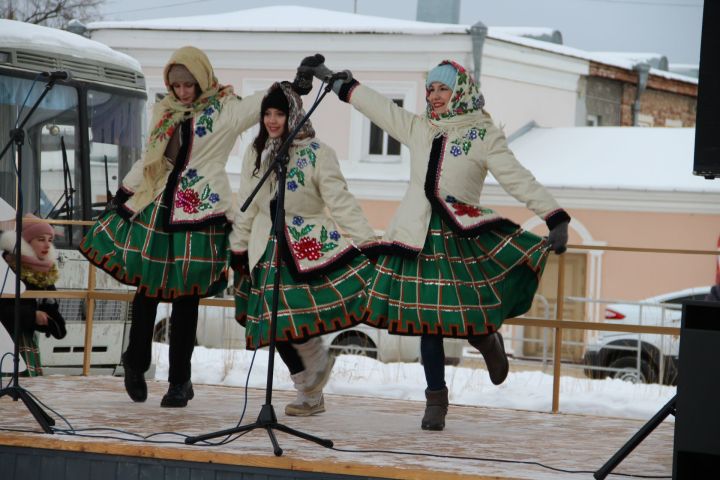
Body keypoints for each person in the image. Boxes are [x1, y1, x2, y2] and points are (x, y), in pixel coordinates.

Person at [301, 58, 570, 430]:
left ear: (461, 91)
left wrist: (554, 216)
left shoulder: (483, 134)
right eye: (431, 88)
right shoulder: (420, 127)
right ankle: (436, 399)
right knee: (429, 322)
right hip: (418, 237)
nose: (435, 95)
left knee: (461, 313)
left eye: (443, 88)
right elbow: (379, 109)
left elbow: (517, 177)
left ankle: (487, 339)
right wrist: (337, 83)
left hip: (461, 237)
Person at [79, 46, 274, 407]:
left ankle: (179, 382)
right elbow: (150, 157)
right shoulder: (165, 110)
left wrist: (295, 82)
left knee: (187, 299)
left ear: (202, 80)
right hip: (158, 206)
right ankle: (135, 363)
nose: (182, 92)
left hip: (200, 213)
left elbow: (262, 103)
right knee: (147, 291)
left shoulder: (225, 109)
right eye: (176, 85)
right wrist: (124, 193)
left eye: (188, 85)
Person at [230, 81, 379, 416]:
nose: (271, 120)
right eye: (267, 113)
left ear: (292, 114)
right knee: (272, 324)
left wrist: (368, 242)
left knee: (290, 317)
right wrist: (238, 247)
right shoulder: (257, 152)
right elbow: (247, 203)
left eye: (279, 113)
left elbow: (340, 201)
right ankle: (310, 390)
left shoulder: (318, 153)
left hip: (306, 245)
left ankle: (315, 361)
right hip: (266, 247)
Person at [0, 215, 67, 376]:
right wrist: (32, 315)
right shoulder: (7, 267)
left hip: (25, 338)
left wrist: (53, 322)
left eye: (50, 240)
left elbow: (49, 304)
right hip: (5, 340)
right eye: (40, 239)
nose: (47, 244)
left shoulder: (43, 271)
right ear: (26, 242)